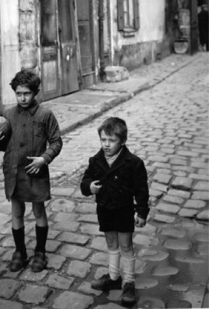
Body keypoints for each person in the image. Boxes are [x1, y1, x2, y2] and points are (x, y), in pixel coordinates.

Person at [0, 68, 62, 273]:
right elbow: (3, 144)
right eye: (18, 94)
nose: (22, 98)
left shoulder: (45, 115)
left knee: (38, 211)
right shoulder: (8, 115)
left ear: (35, 92)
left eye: (26, 93)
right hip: (14, 172)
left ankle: (40, 252)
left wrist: (44, 159)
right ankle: (20, 251)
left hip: (35, 172)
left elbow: (56, 142)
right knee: (17, 212)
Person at [80, 117, 149, 304]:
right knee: (111, 243)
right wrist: (89, 187)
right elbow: (85, 180)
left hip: (124, 210)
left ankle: (128, 281)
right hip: (105, 209)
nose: (107, 145)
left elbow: (141, 190)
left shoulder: (133, 163)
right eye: (103, 140)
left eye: (112, 140)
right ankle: (113, 277)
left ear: (122, 141)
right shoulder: (96, 161)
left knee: (126, 245)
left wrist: (141, 212)